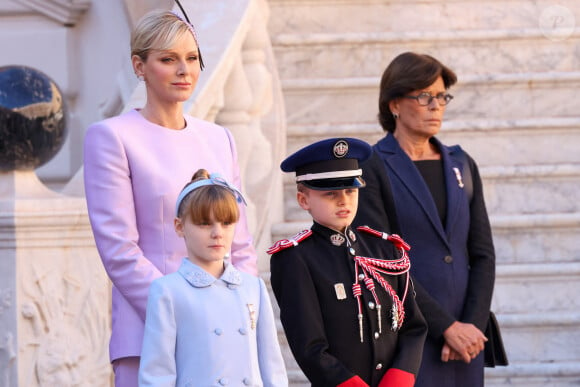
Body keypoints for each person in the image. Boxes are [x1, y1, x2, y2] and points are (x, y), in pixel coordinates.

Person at [83, 9, 257, 387]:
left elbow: (240, 244)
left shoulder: (219, 138)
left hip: (224, 336)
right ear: (139, 66)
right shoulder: (111, 137)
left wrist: (241, 309)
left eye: (192, 58)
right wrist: (183, 312)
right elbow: (119, 249)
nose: (184, 70)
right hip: (150, 335)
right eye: (168, 59)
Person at [354, 52, 496, 387]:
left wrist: (471, 326)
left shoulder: (462, 164)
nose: (435, 106)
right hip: (409, 336)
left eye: (442, 96)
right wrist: (446, 326)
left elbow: (482, 254)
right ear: (394, 104)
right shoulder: (373, 166)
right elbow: (380, 260)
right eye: (423, 96)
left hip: (466, 344)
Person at [269, 137, 427, 387]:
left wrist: (399, 378)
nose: (343, 201)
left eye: (350, 191)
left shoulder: (386, 249)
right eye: (331, 193)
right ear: (303, 200)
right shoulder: (296, 258)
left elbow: (414, 326)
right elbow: (309, 346)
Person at [138, 169, 288, 386]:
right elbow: (157, 374)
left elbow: (272, 367)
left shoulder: (252, 287)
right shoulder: (167, 291)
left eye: (226, 223)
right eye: (204, 224)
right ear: (180, 227)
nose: (217, 233)